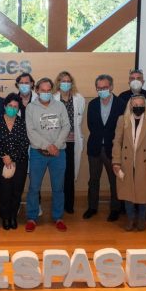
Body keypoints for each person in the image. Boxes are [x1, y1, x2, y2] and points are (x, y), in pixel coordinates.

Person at [25, 77, 70, 232]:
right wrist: (47, 146)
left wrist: (56, 146)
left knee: (58, 188)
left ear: (52, 91)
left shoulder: (60, 106)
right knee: (34, 187)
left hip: (58, 153)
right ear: (37, 91)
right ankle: (31, 217)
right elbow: (30, 131)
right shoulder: (31, 108)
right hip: (38, 153)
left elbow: (66, 126)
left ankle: (58, 217)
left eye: (48, 90)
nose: (45, 93)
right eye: (42, 90)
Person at [112, 95, 146, 231]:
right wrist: (116, 161)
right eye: (135, 104)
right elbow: (117, 142)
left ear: (145, 106)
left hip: (145, 164)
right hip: (127, 163)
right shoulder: (123, 120)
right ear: (130, 106)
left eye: (140, 104)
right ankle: (130, 218)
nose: (138, 107)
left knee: (143, 194)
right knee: (128, 194)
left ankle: (142, 219)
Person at [83, 74, 125, 222]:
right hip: (94, 148)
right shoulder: (93, 104)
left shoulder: (121, 104)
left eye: (105, 87)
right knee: (93, 179)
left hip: (112, 149)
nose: (102, 90)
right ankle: (92, 207)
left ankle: (115, 209)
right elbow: (91, 125)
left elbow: (122, 129)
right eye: (99, 88)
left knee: (114, 181)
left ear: (111, 87)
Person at [0, 94, 29, 230]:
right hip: (1, 162)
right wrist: (4, 156)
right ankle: (5, 217)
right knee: (4, 190)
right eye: (10, 106)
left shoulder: (22, 123)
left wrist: (12, 157)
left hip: (19, 162)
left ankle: (13, 216)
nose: (12, 108)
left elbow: (25, 143)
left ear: (18, 109)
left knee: (16, 191)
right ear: (5, 106)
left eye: (15, 107)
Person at [53, 71, 85, 214]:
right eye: (62, 81)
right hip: (58, 142)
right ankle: (58, 204)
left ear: (71, 83)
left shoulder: (79, 99)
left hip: (72, 141)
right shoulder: (53, 98)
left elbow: (79, 119)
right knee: (58, 174)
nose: (65, 83)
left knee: (70, 174)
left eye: (68, 81)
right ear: (58, 83)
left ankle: (69, 204)